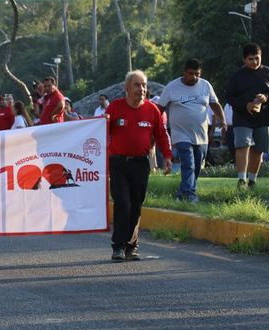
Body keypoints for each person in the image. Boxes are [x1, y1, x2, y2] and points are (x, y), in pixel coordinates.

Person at [106, 70, 172, 262]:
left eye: (144, 85)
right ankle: (118, 246)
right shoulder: (114, 108)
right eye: (137, 85)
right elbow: (100, 131)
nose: (142, 89)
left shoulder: (152, 110)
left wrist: (167, 156)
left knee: (136, 205)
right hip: (118, 163)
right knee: (123, 203)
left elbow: (161, 134)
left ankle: (131, 246)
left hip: (141, 164)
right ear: (127, 88)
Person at [157, 58, 226, 202]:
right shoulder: (172, 87)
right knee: (188, 163)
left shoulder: (205, 85)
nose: (194, 77)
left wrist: (223, 121)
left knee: (197, 167)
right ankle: (190, 196)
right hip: (180, 134)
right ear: (184, 72)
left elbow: (215, 104)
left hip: (201, 135)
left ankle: (181, 193)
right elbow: (160, 108)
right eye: (190, 73)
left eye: (197, 74)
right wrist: (155, 126)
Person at [224, 43, 269, 189]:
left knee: (259, 149)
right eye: (251, 59)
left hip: (263, 118)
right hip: (242, 117)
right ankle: (241, 180)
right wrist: (245, 105)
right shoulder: (237, 76)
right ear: (244, 60)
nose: (255, 62)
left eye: (257, 58)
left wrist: (266, 97)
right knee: (242, 145)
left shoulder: (267, 72)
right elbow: (229, 97)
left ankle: (252, 181)